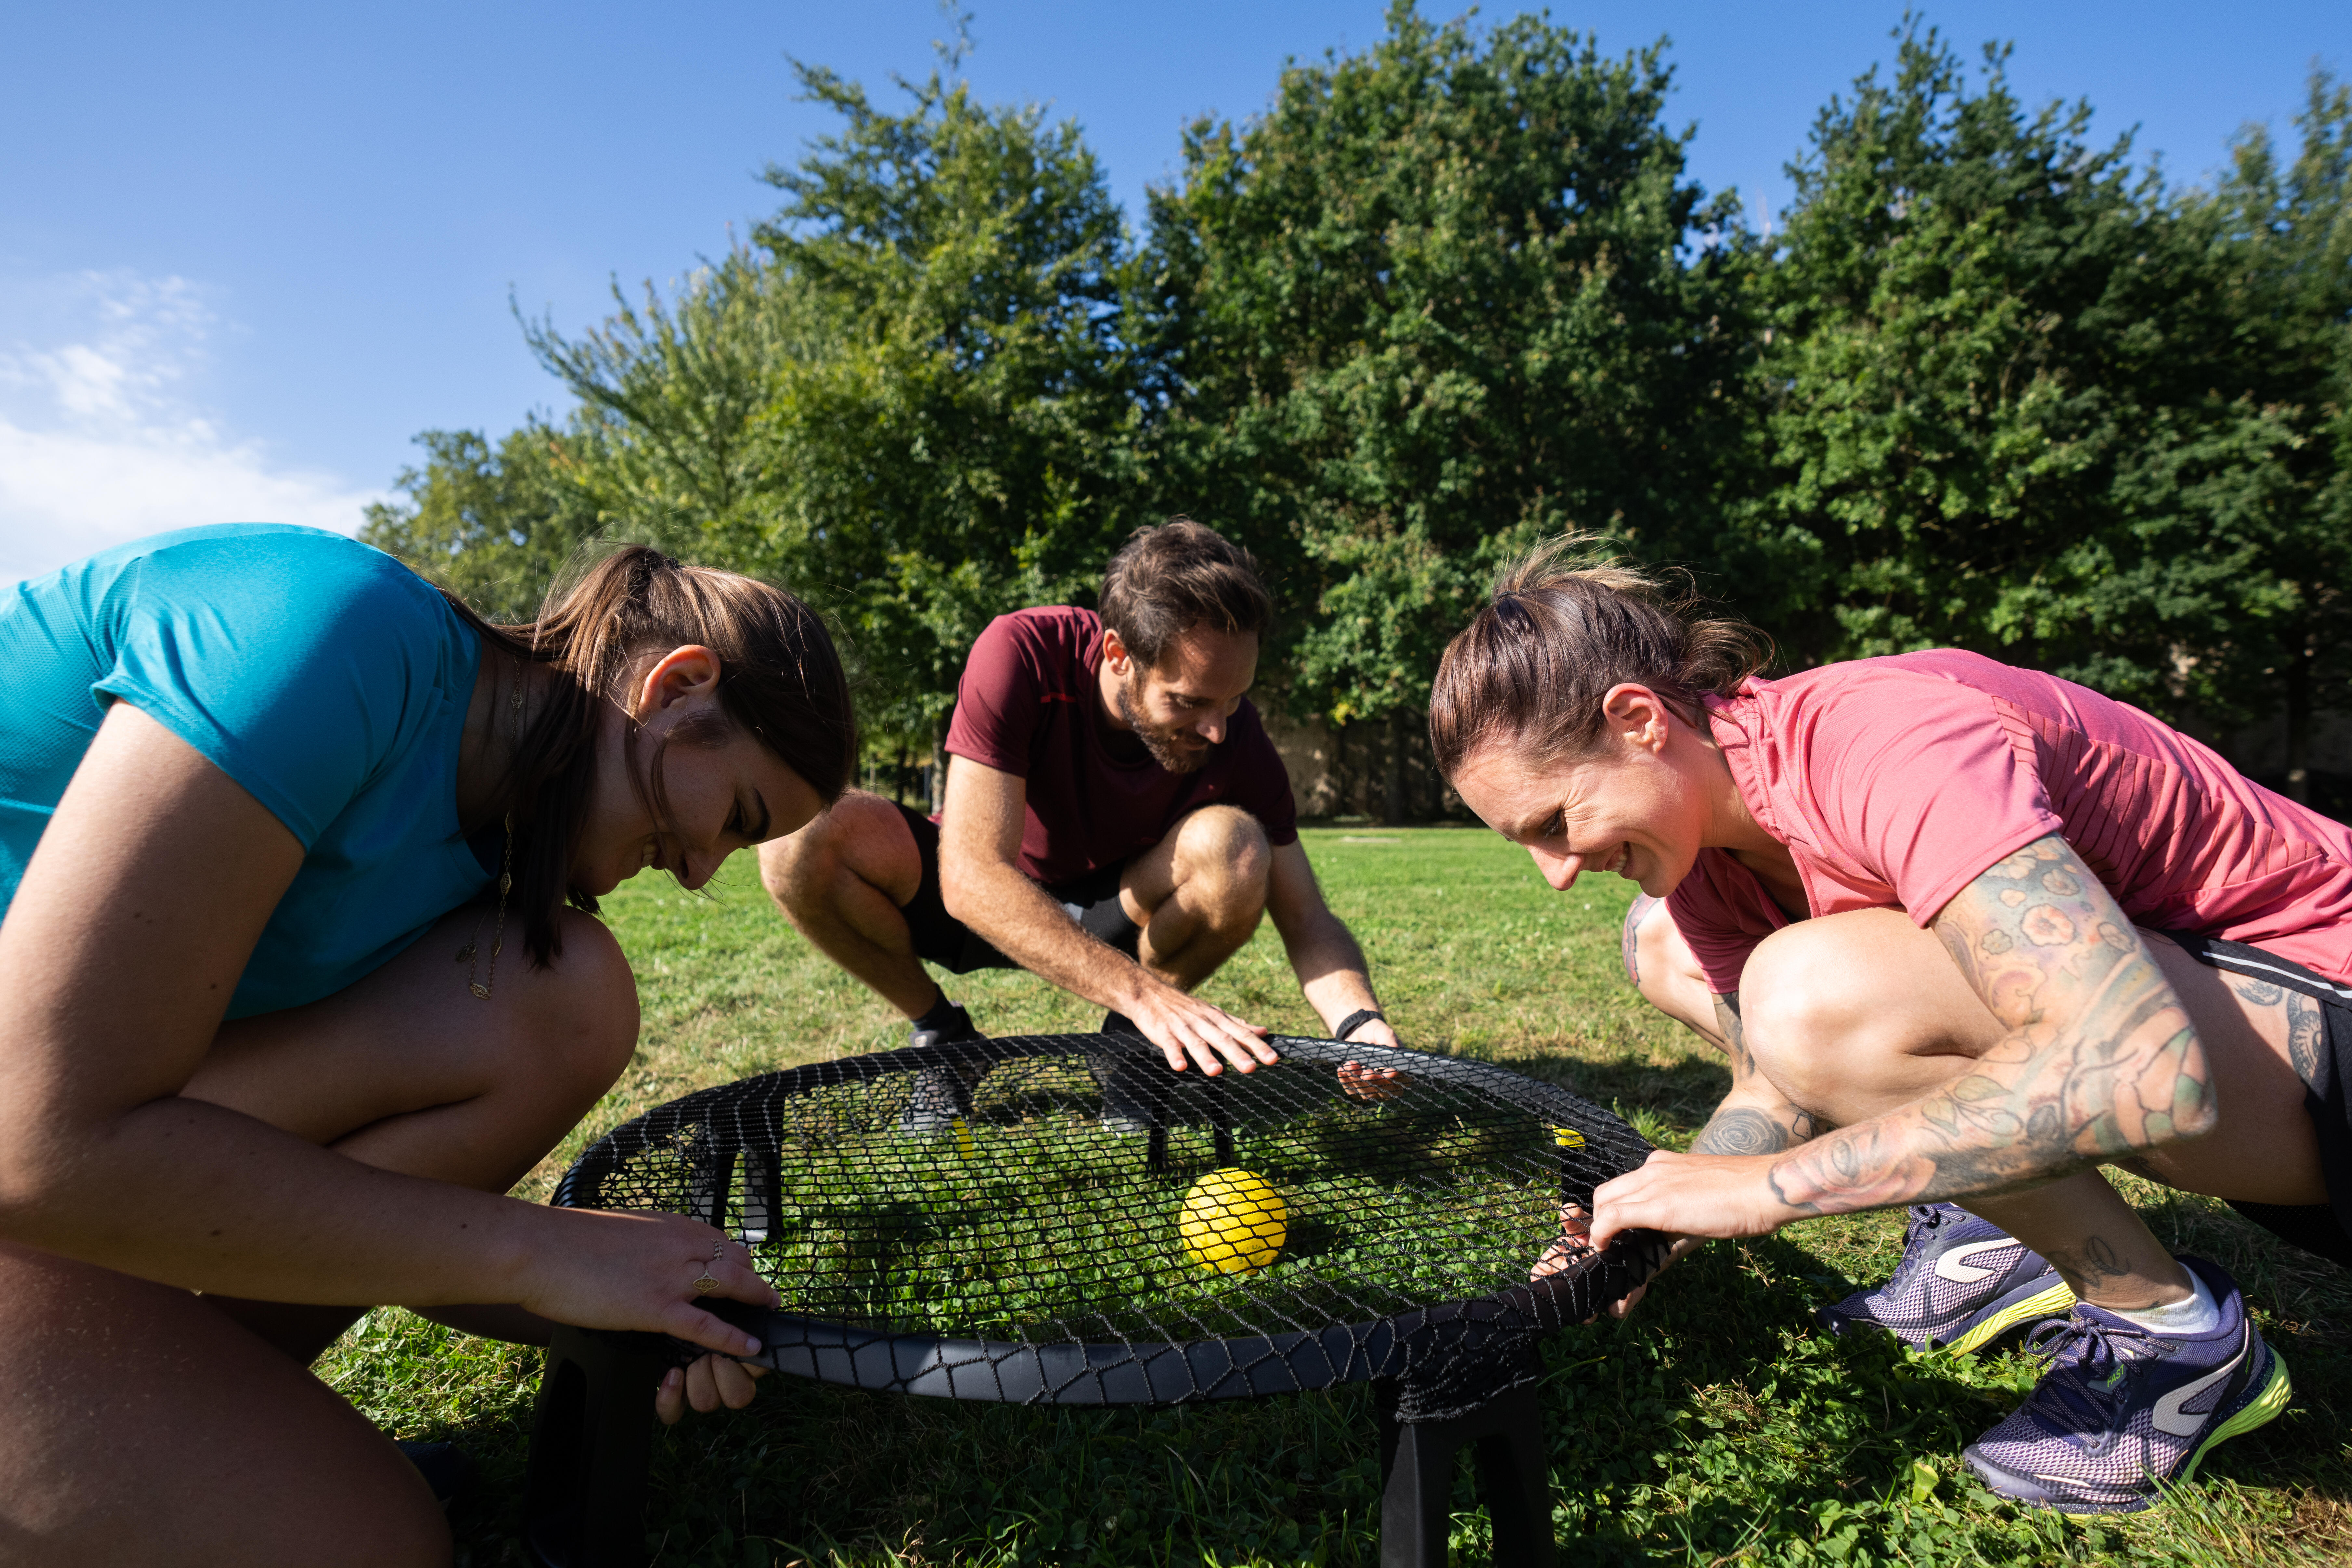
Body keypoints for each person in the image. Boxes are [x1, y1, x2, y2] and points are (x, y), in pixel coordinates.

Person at [0, 524, 856, 1565]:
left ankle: (215, 1406)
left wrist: (622, 1310)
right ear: (679, 688)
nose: (699, 874)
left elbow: (336, 1195)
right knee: (375, 1545)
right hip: (36, 1142)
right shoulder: (330, 625)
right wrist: (545, 1249)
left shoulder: (491, 836)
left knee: (565, 990)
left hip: (63, 1163)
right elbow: (36, 1141)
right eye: (738, 815)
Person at [1428, 540, 2339, 1516]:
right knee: (1719, 968)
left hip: (2330, 1049)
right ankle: (1998, 1225)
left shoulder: (1884, 739)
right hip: (2259, 1080)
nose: (1555, 871)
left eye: (1554, 823)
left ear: (1640, 720)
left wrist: (1768, 1192)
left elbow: (2146, 1072)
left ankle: (2176, 1339)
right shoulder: (1708, 848)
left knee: (1809, 988)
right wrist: (1662, 1219)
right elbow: (1780, 1079)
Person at [762, 519, 1401, 1104]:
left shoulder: (1235, 732)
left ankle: (1127, 1053)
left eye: (1234, 699)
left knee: (1237, 845)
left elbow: (1306, 915)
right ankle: (944, 1037)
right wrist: (1146, 995)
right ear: (1118, 655)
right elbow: (969, 878)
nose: (1216, 729)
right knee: (801, 837)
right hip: (987, 903)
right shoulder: (1022, 652)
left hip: (1118, 910)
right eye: (1187, 702)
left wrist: (1359, 1022)